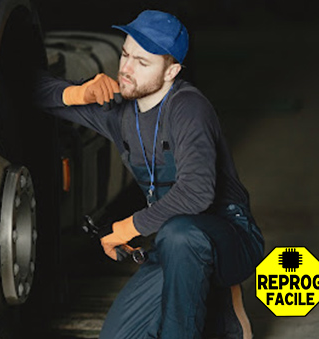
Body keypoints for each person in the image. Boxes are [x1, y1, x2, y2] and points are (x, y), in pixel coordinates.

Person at [35, 9, 264, 339]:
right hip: (172, 247)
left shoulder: (189, 108)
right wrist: (78, 93)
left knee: (180, 234)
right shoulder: (120, 112)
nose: (126, 69)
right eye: (125, 54)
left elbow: (198, 192)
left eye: (142, 63)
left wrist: (123, 229)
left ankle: (223, 292)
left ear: (171, 71)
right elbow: (30, 86)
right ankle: (207, 291)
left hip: (228, 235)